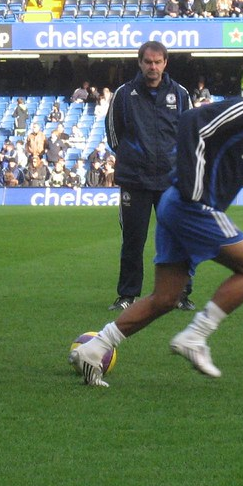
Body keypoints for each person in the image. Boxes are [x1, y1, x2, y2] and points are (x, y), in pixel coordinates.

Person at [70, 54, 243, 387]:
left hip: (182, 204)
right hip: (194, 205)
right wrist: (194, 189)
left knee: (166, 298)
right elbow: (191, 122)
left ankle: (94, 348)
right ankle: (195, 336)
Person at [104, 41, 202, 312]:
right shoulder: (124, 94)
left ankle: (180, 293)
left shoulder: (180, 94)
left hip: (171, 181)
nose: (153, 67)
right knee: (133, 240)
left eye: (158, 62)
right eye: (148, 62)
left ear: (165, 63)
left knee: (177, 239)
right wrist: (132, 157)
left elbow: (191, 133)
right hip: (135, 180)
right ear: (140, 62)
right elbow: (113, 133)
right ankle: (127, 295)